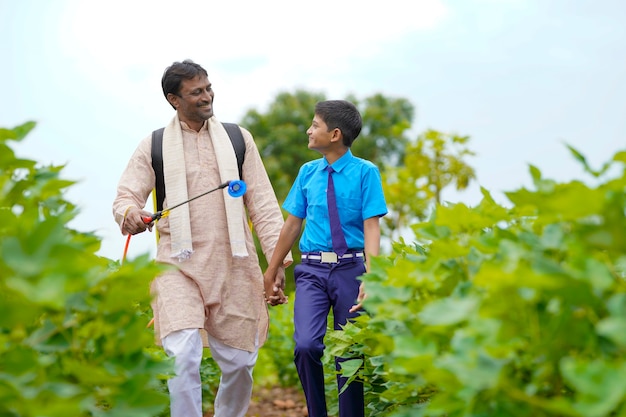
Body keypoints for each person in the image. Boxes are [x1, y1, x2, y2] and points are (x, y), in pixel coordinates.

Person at [112, 59, 291, 417]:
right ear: (174, 99)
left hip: (235, 265)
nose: (207, 96)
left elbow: (265, 206)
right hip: (177, 266)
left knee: (240, 363)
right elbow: (126, 198)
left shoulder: (240, 139)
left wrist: (275, 265)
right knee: (182, 355)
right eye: (196, 92)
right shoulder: (155, 145)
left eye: (208, 88)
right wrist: (131, 215)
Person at [263, 100, 388, 417]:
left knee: (349, 355)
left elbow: (371, 228)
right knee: (306, 345)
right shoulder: (307, 173)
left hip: (352, 270)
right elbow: (292, 224)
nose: (309, 129)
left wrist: (371, 279)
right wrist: (272, 269)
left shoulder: (365, 173)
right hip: (312, 271)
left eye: (314, 125)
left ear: (334, 134)